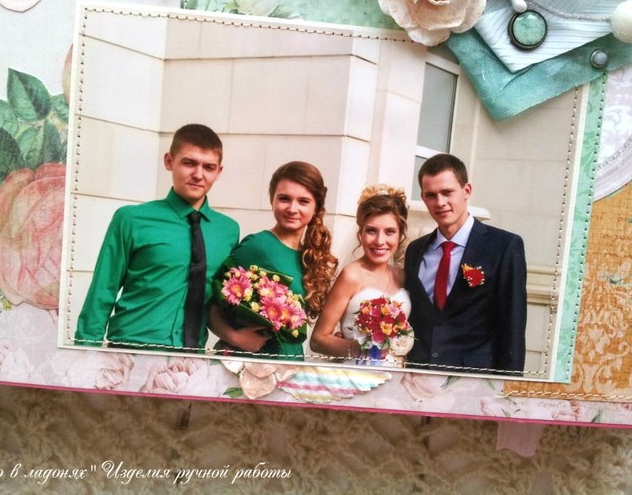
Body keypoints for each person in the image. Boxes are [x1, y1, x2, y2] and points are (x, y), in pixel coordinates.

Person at [74, 124, 239, 351]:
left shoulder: (228, 231)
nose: (198, 175)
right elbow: (103, 289)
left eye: (208, 167)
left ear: (218, 171)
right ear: (169, 161)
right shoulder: (131, 219)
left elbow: (218, 301)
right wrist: (84, 352)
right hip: (131, 349)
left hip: (192, 358)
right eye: (189, 163)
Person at [404, 154, 527, 374]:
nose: (440, 202)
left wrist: (507, 385)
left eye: (447, 192)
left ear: (466, 190)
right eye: (431, 195)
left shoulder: (504, 246)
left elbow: (513, 327)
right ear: (423, 198)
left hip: (474, 378)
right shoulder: (415, 250)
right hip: (418, 374)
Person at [209, 161, 337, 361]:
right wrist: (235, 337)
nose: (292, 208)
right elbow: (210, 300)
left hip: (289, 362)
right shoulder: (257, 246)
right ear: (272, 200)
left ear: (316, 207)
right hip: (249, 363)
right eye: (284, 199)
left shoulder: (310, 255)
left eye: (303, 201)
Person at [310, 185, 412, 364]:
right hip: (357, 372)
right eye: (371, 230)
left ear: (400, 235)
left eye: (390, 231)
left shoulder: (402, 276)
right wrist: (360, 349)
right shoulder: (351, 275)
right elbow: (318, 340)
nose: (380, 241)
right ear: (360, 234)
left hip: (395, 373)